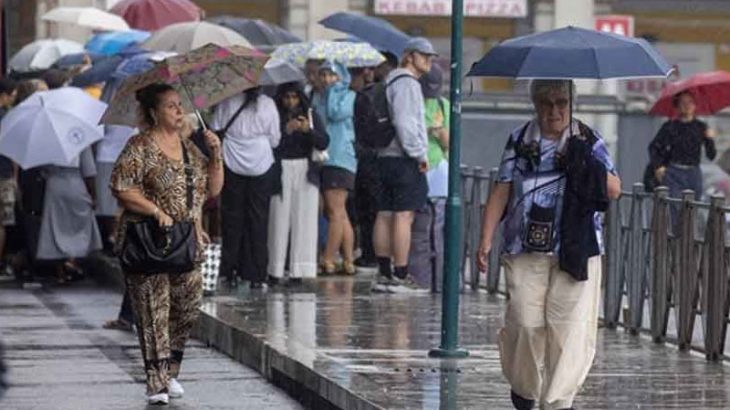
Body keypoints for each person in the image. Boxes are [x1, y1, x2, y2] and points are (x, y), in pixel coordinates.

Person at [476, 80, 621, 410]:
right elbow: (502, 188)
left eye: (561, 103)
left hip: (576, 248)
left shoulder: (588, 139)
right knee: (524, 322)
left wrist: (583, 161)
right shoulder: (519, 139)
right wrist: (485, 238)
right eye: (546, 103)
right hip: (524, 246)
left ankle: (557, 402)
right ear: (535, 105)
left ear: (571, 105)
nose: (554, 111)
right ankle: (525, 389)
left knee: (568, 332)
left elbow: (615, 189)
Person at [111, 83, 223, 405]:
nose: (178, 111)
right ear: (153, 113)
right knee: (152, 310)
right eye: (171, 106)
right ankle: (156, 381)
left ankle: (171, 369)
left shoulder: (190, 148)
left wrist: (216, 154)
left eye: (179, 105)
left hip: (184, 241)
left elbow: (210, 190)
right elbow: (121, 187)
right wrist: (155, 210)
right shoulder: (139, 146)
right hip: (146, 240)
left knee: (187, 305)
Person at [371, 37, 436, 293]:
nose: (430, 61)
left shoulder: (390, 81)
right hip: (404, 158)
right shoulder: (408, 84)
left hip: (384, 156)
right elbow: (406, 123)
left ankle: (384, 272)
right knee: (403, 215)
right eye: (425, 56)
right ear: (409, 56)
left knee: (384, 213)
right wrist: (420, 154)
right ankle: (400, 273)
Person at [212, 87, 280, 289]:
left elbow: (216, 126)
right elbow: (275, 140)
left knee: (232, 218)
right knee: (259, 219)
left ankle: (229, 269)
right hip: (262, 162)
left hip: (232, 160)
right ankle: (257, 272)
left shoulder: (227, 101)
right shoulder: (268, 104)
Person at [269, 82, 329, 284]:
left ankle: (300, 269)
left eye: (294, 97)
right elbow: (272, 144)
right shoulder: (275, 115)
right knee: (278, 219)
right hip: (282, 168)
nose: (291, 102)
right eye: (287, 97)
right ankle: (275, 268)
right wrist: (286, 130)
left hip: (305, 168)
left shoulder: (311, 115)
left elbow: (323, 142)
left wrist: (307, 130)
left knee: (305, 220)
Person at [313, 60, 357, 275]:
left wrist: (332, 92)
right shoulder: (317, 96)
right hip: (324, 158)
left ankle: (328, 258)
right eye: (323, 75)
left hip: (340, 158)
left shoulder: (349, 96)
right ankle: (348, 259)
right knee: (339, 212)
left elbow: (334, 114)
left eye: (332, 75)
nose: (327, 80)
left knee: (335, 210)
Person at [408, 64, 450, 290]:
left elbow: (450, 144)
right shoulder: (411, 104)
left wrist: (440, 132)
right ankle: (421, 280)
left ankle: (440, 283)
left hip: (439, 178)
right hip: (416, 174)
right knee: (418, 234)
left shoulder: (444, 106)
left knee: (439, 233)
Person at [649, 91, 716, 201]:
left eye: (690, 102)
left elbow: (711, 155)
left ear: (695, 106)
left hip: (694, 172)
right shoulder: (670, 126)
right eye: (683, 102)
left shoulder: (700, 127)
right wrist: (658, 166)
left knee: (692, 207)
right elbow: (654, 147)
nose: (687, 106)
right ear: (677, 106)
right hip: (674, 171)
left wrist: (709, 139)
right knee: (675, 206)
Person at [0, 79, 18, 275]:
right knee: (2, 223)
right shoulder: (9, 119)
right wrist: (16, 178)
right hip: (3, 174)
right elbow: (14, 151)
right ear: (4, 95)